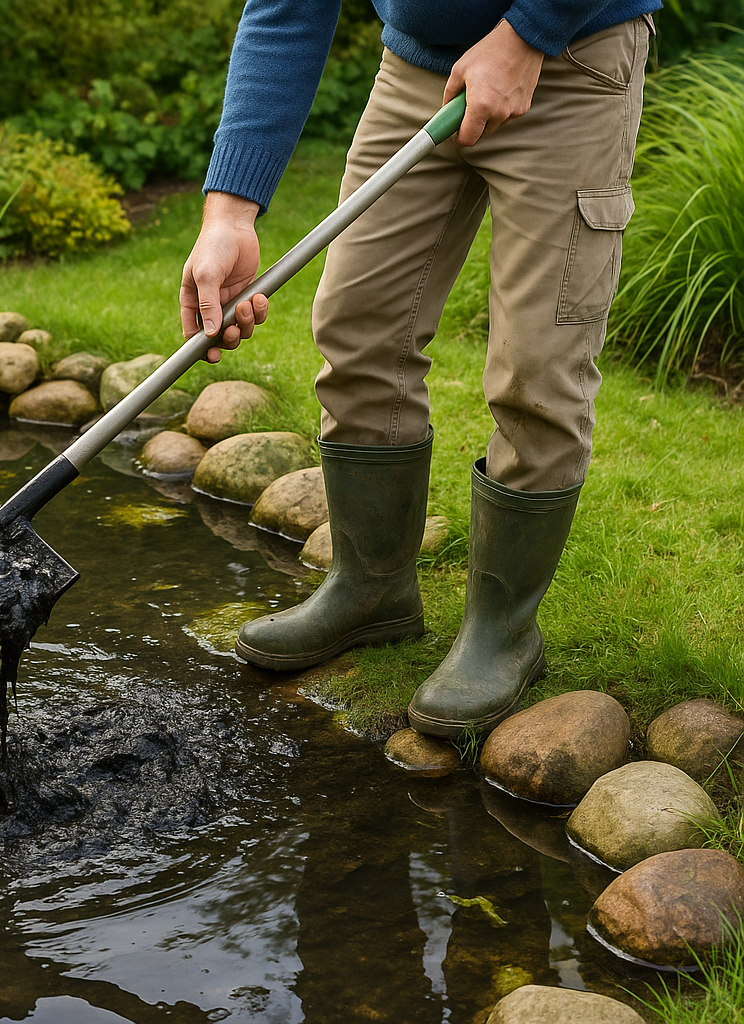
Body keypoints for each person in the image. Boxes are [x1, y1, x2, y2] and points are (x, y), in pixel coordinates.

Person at [180, 1, 658, 739]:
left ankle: (503, 633)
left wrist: (529, 32)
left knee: (538, 367)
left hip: (572, 57)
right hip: (417, 68)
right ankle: (371, 589)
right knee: (360, 326)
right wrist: (229, 214)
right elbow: (287, 7)